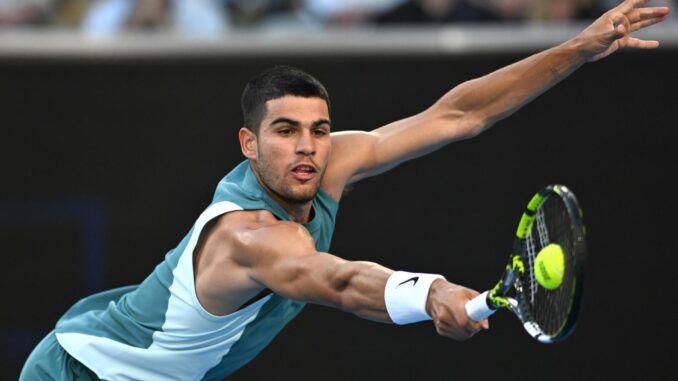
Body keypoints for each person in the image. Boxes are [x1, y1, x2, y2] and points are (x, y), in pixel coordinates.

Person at [20, 0, 669, 379]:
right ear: (248, 145)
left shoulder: (328, 165)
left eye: (319, 129)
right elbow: (337, 281)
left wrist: (576, 50)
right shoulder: (250, 238)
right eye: (284, 131)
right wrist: (433, 291)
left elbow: (456, 114)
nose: (306, 146)